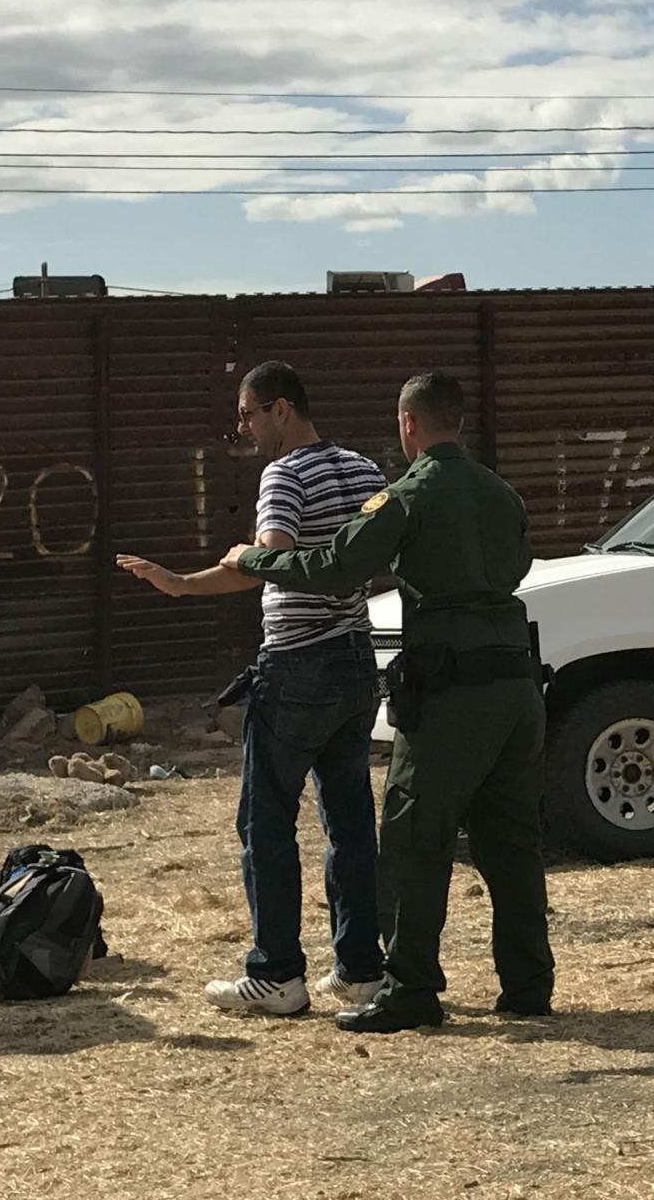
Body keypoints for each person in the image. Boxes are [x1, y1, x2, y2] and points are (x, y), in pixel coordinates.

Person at [225, 371, 554, 1034]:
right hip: (518, 684)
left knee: (410, 838)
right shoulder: (501, 491)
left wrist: (252, 562)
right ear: (456, 420)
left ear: (409, 424)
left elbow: (335, 566)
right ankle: (528, 984)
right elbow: (517, 566)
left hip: (453, 691)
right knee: (512, 844)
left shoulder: (408, 495)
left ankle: (410, 988)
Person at [115, 361, 387, 1017]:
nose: (242, 427)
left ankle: (276, 972)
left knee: (264, 820)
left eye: (248, 413)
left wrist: (182, 582)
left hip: (298, 665)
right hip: (357, 657)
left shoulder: (284, 474)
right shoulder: (365, 470)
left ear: (282, 408)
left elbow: (269, 557)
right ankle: (360, 968)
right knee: (350, 821)